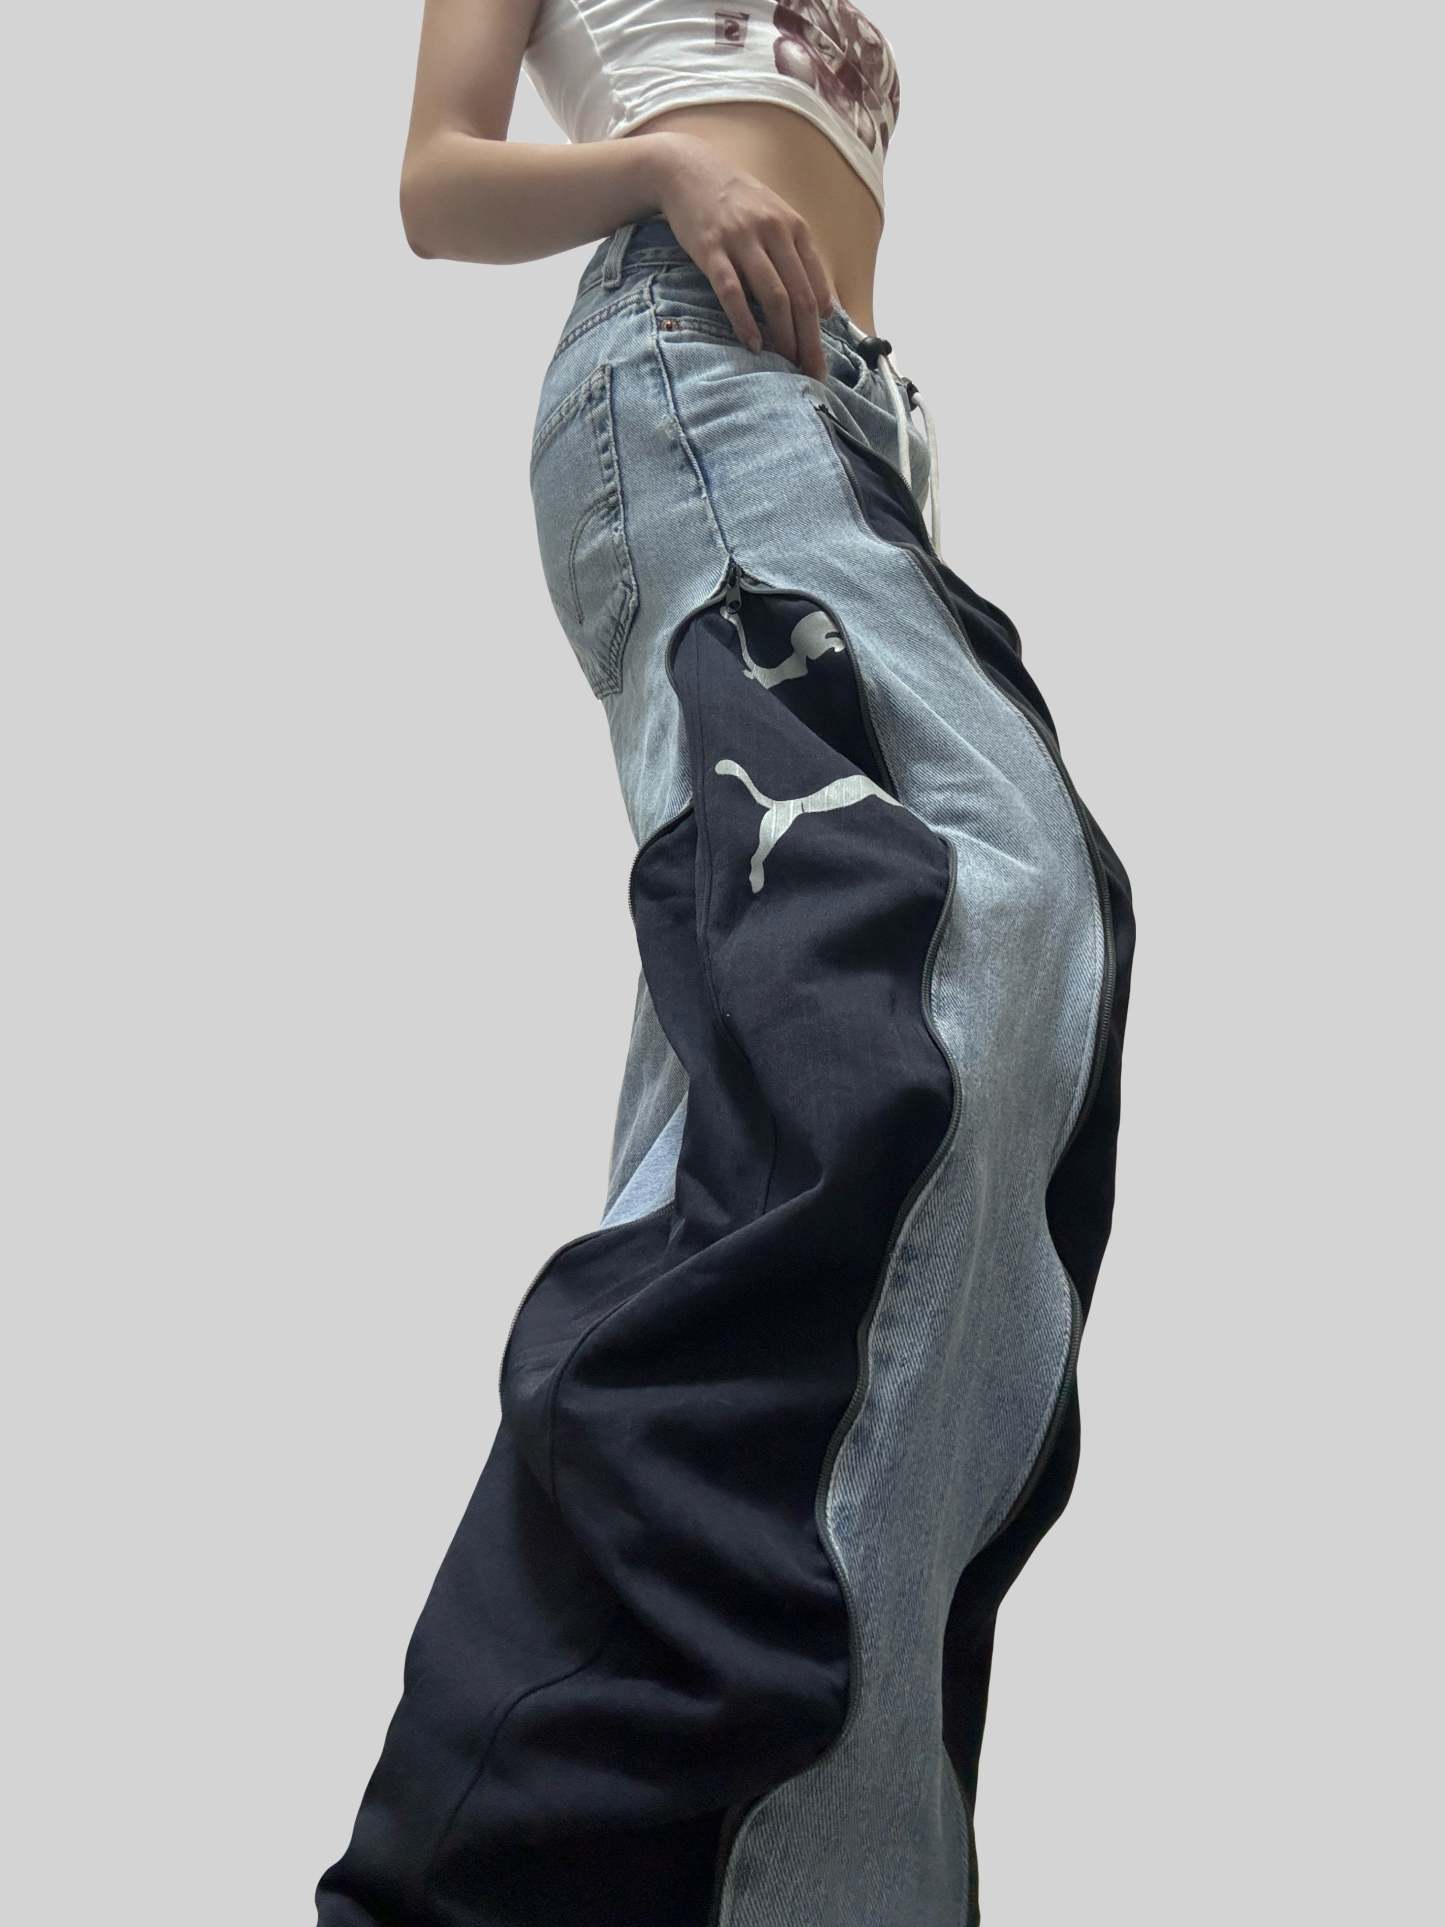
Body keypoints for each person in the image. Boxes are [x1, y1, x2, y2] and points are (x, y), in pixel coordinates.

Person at [315, 3, 1137, 1923]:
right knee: (960, 927)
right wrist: (665, 167)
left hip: (833, 421)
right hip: (689, 368)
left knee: (783, 1073)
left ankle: (757, 1871)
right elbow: (435, 181)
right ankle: (541, 1842)